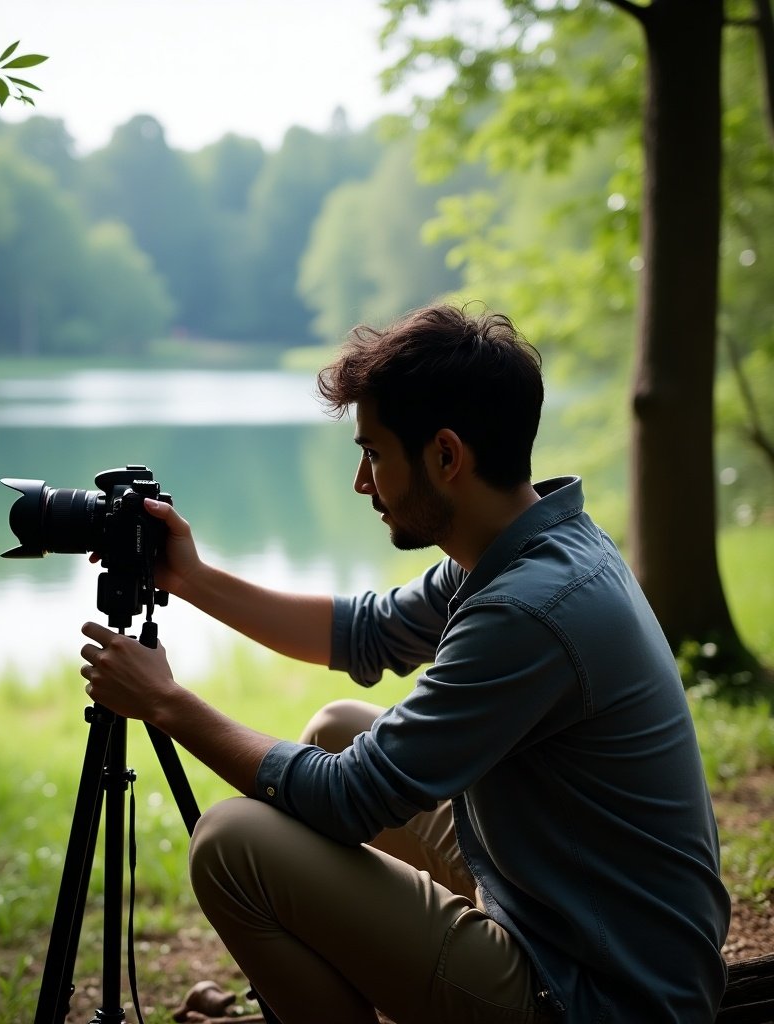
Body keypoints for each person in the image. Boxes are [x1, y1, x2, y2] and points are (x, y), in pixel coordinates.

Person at [79, 302, 731, 1023]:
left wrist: (168, 704)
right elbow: (367, 633)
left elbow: (349, 798)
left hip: (597, 996)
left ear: (446, 456)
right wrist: (191, 578)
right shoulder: (531, 541)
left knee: (231, 844)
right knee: (336, 727)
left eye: (374, 453)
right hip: (586, 925)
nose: (363, 482)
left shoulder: (527, 610)